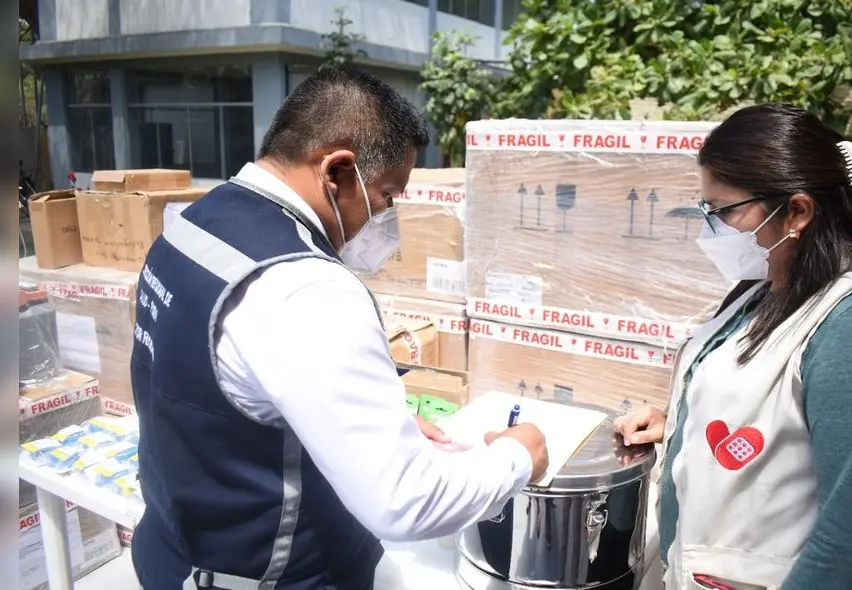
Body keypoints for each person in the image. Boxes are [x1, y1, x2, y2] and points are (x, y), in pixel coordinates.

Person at [129, 66, 549, 590]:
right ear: (338, 172)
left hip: (172, 555)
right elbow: (406, 503)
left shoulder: (194, 224)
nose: (388, 216)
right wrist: (517, 456)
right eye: (389, 195)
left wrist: (346, 424)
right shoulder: (305, 287)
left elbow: (211, 384)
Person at [615, 104, 852, 590]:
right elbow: (781, 416)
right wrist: (688, 422)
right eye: (707, 210)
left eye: (725, 211)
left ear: (797, 211)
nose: (712, 229)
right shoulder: (767, 289)